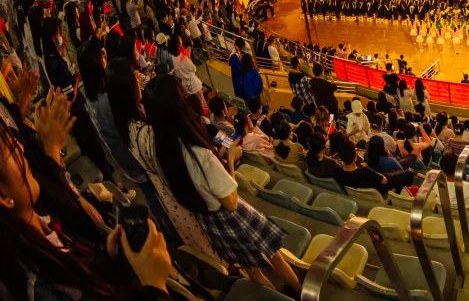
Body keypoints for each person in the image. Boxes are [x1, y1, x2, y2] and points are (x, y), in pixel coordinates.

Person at [138, 76, 300, 294]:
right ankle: (299, 291)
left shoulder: (161, 150)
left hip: (210, 221)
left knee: (252, 270)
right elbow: (230, 201)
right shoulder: (199, 155)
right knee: (274, 255)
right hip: (230, 215)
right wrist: (231, 158)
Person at [0, 120, 175, 300]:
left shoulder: (41, 227)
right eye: (12, 150)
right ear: (3, 197)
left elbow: (85, 277)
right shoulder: (38, 286)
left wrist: (111, 259)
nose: (21, 147)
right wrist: (155, 286)